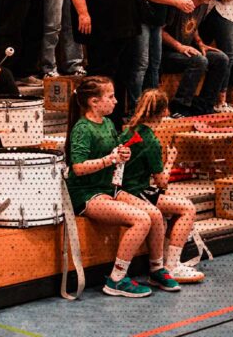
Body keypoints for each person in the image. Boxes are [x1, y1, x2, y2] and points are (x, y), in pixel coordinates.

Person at [64, 76, 166, 298]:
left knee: (155, 214)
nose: (116, 101)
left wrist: (122, 153)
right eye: (110, 97)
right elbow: (78, 167)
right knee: (141, 219)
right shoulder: (82, 128)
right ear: (93, 101)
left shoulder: (109, 123)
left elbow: (112, 151)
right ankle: (116, 279)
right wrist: (109, 160)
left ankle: (157, 268)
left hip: (109, 189)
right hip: (87, 194)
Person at [119, 90, 205, 283]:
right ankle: (172, 266)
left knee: (173, 208)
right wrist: (170, 161)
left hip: (128, 188)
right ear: (164, 112)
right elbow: (162, 182)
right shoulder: (151, 141)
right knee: (187, 208)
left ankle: (167, 261)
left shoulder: (129, 130)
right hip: (136, 191)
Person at [161, 0, 229, 117]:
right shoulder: (178, 2)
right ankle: (180, 107)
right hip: (166, 53)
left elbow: (193, 24)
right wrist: (179, 46)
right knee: (199, 60)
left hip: (185, 51)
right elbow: (160, 32)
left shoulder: (203, 4)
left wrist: (200, 42)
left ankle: (203, 106)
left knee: (221, 59)